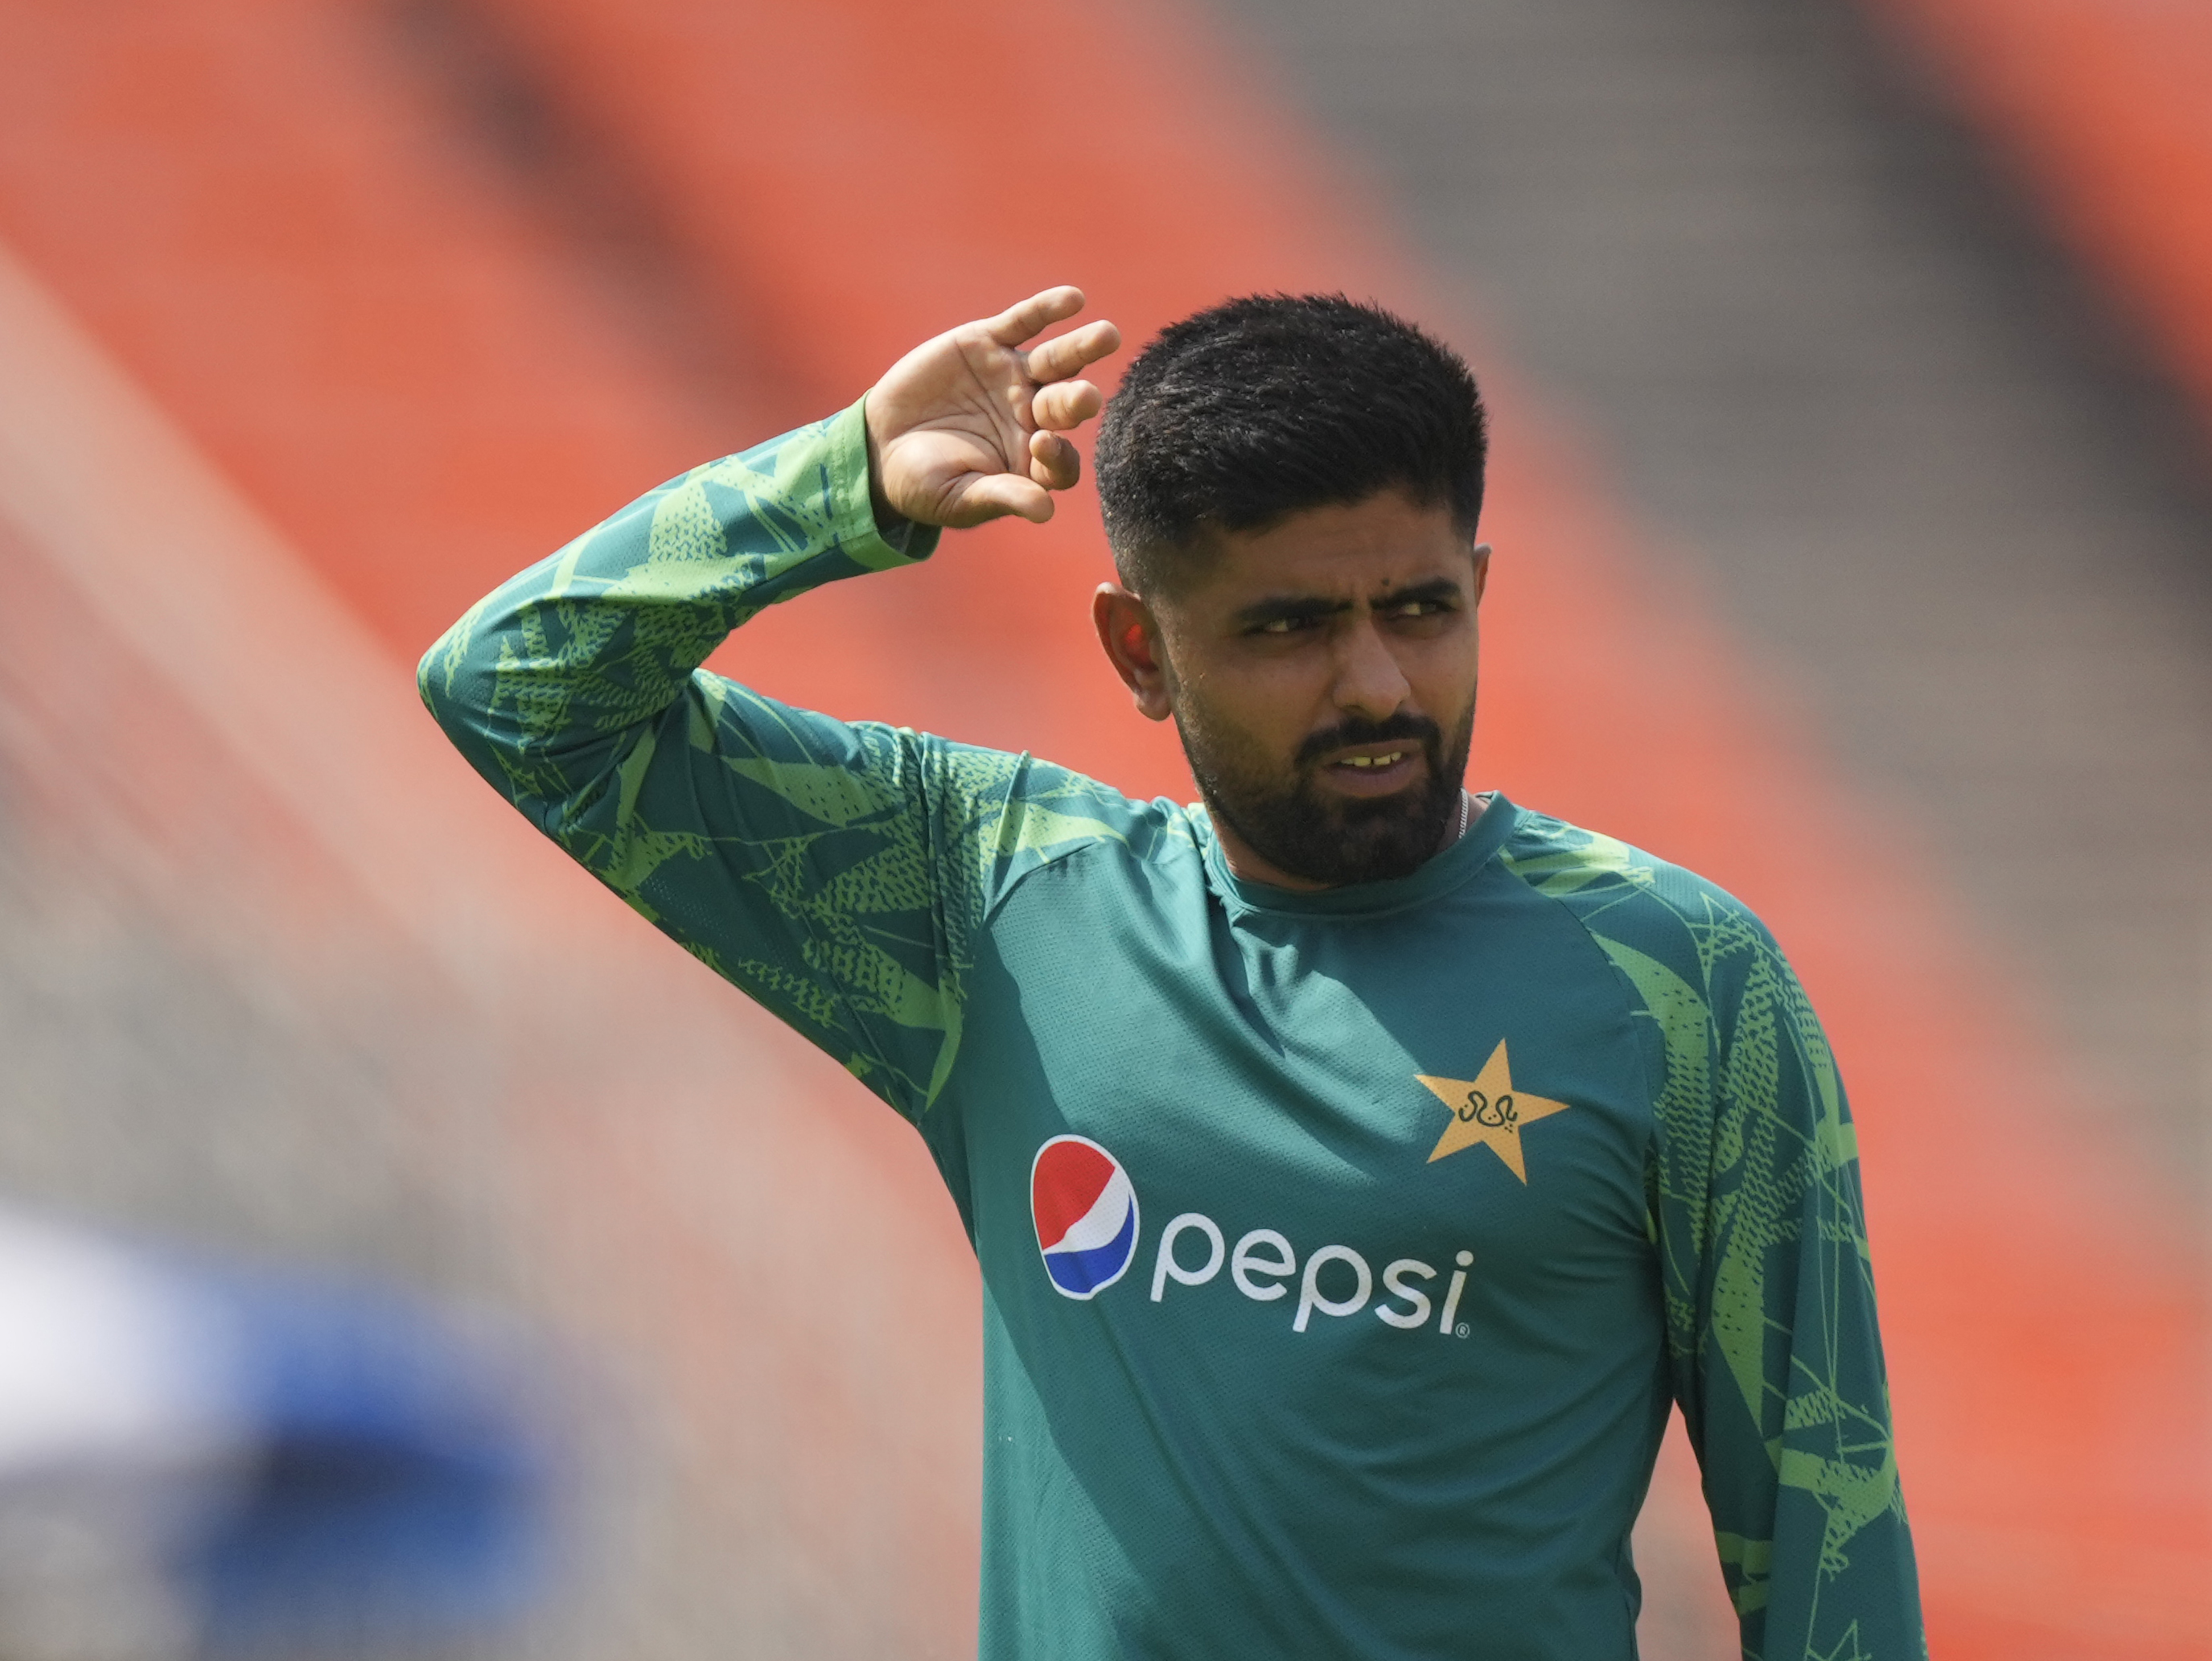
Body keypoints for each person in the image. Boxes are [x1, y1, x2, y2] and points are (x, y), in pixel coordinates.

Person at [420, 286, 1922, 1659]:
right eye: (1288, 629)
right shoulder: (988, 894)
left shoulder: (1677, 978)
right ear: (1140, 649)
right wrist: (839, 486)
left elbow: (1825, 1536)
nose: (1375, 685)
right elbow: (517, 693)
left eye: (1418, 610)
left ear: (1478, 585)